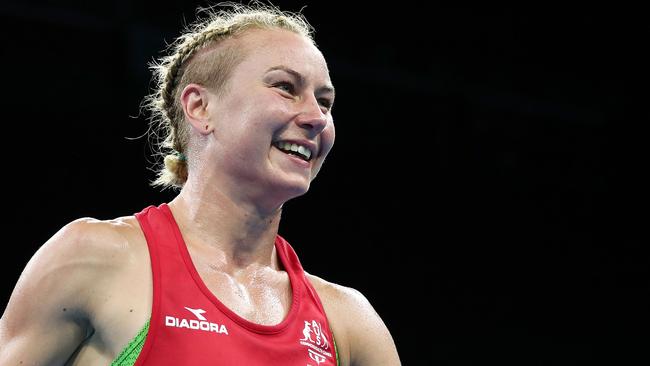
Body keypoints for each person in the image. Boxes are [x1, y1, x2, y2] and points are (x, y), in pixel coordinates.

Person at [0, 2, 401, 365]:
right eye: (285, 88)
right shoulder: (95, 259)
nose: (316, 117)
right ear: (200, 107)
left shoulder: (348, 323)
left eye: (325, 102)